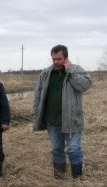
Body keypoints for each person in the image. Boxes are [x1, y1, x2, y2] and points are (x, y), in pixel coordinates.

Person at [32, 45, 92, 179]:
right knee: (57, 149)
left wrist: (70, 71)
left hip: (72, 119)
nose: (55, 62)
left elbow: (84, 86)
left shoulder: (76, 70)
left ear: (65, 57)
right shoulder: (45, 73)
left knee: (73, 149)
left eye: (58, 59)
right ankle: (59, 178)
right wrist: (35, 114)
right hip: (52, 120)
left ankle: (78, 179)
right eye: (53, 59)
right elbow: (37, 94)